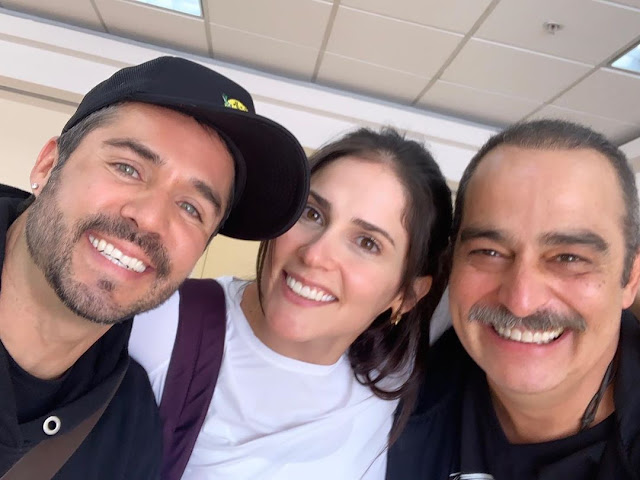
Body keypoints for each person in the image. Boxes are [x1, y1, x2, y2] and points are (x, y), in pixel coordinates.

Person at [0, 56, 309, 479]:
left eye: (191, 208)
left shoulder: (130, 433)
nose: (149, 218)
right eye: (128, 168)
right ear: (47, 165)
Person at [129, 127, 453, 479]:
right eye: (312, 214)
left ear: (407, 296)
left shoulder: (393, 375)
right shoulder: (160, 326)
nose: (315, 255)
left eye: (367, 243)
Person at [387, 119, 640, 480]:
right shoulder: (390, 396)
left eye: (569, 258)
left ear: (629, 278)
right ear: (452, 262)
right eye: (489, 252)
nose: (521, 301)